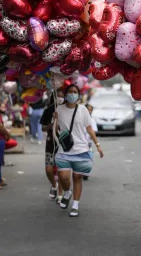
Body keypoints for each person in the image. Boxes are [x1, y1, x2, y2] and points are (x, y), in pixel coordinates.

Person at [54, 84, 104, 217]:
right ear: (65, 94)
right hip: (64, 149)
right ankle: (66, 192)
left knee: (77, 177)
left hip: (81, 148)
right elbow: (54, 129)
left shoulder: (83, 110)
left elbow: (89, 129)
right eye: (70, 91)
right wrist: (54, 120)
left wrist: (97, 144)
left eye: (75, 92)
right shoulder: (59, 109)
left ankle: (75, 204)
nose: (72, 94)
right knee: (63, 177)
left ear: (78, 94)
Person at [40, 90, 65, 203]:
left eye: (62, 96)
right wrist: (51, 124)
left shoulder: (67, 111)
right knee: (49, 169)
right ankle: (54, 185)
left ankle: (60, 193)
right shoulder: (48, 110)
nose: (60, 98)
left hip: (63, 144)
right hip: (51, 143)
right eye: (58, 96)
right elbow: (43, 128)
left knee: (61, 169)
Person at [84, 104, 98, 181]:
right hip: (80, 142)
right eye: (87, 109)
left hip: (88, 142)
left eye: (90, 110)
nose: (89, 111)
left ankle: (86, 171)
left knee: (88, 157)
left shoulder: (92, 120)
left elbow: (94, 131)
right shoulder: (80, 119)